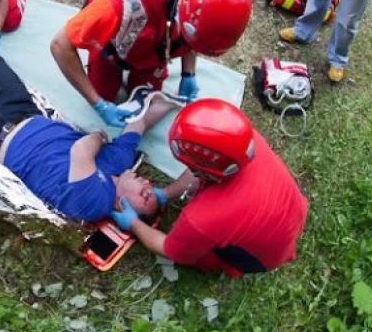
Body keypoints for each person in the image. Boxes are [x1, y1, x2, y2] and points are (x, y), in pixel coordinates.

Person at [0, 31, 177, 223]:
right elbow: (140, 123)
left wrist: (99, 137)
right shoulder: (119, 163)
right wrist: (174, 103)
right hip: (24, 112)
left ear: (122, 207)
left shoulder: (95, 203)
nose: (147, 184)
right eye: (150, 189)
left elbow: (82, 150)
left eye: (144, 196)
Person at [111, 99, 309, 277]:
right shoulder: (243, 139)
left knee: (200, 257)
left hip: (266, 255)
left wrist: (134, 223)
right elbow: (199, 171)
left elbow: (168, 249)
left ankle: (224, 264)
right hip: (294, 209)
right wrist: (165, 193)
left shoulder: (201, 219)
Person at [50, 0, 251, 127]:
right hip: (113, 43)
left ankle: (142, 70)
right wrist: (98, 104)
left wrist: (188, 74)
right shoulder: (115, 4)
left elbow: (192, 39)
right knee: (103, 93)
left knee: (147, 99)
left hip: (155, 44)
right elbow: (60, 46)